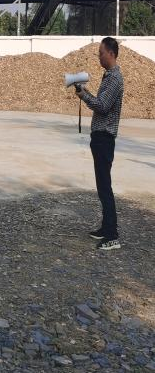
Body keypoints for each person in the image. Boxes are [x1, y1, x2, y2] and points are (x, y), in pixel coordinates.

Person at [75, 36, 124, 251]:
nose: (99, 57)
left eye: (101, 53)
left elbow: (102, 106)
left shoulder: (114, 79)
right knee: (102, 185)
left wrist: (84, 95)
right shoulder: (109, 77)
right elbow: (102, 103)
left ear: (111, 54)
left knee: (104, 186)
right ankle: (106, 227)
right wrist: (85, 93)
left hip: (104, 137)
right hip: (101, 137)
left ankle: (112, 235)